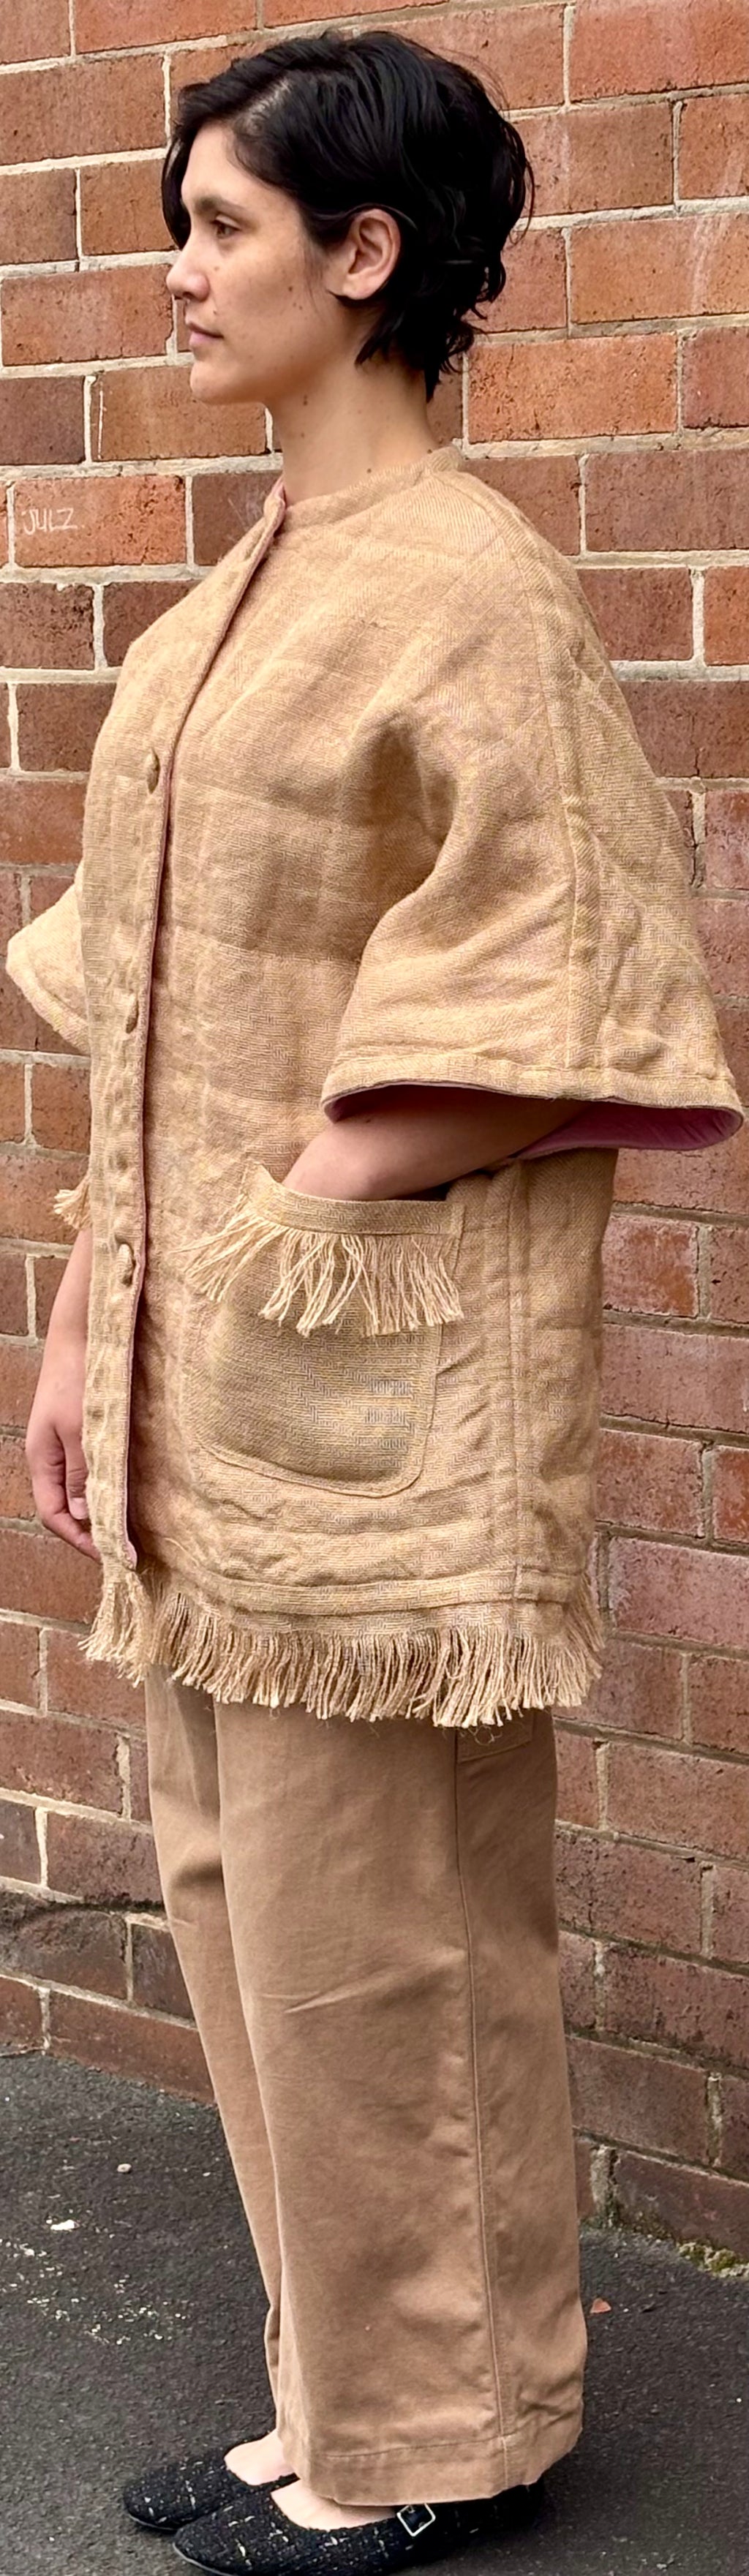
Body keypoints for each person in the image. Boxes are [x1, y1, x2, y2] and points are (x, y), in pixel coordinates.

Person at [6, 30, 743, 2576]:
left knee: (390, 1937)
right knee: (244, 1907)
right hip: (212, 1397)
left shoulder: (481, 592)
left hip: (373, 1402)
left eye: (220, 224)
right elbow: (160, 1009)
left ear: (366, 252)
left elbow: (578, 989)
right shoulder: (236, 597)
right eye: (177, 217)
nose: (175, 267)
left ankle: (434, 2443)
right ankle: (353, 2390)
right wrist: (97, 1295)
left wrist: (287, 1200)